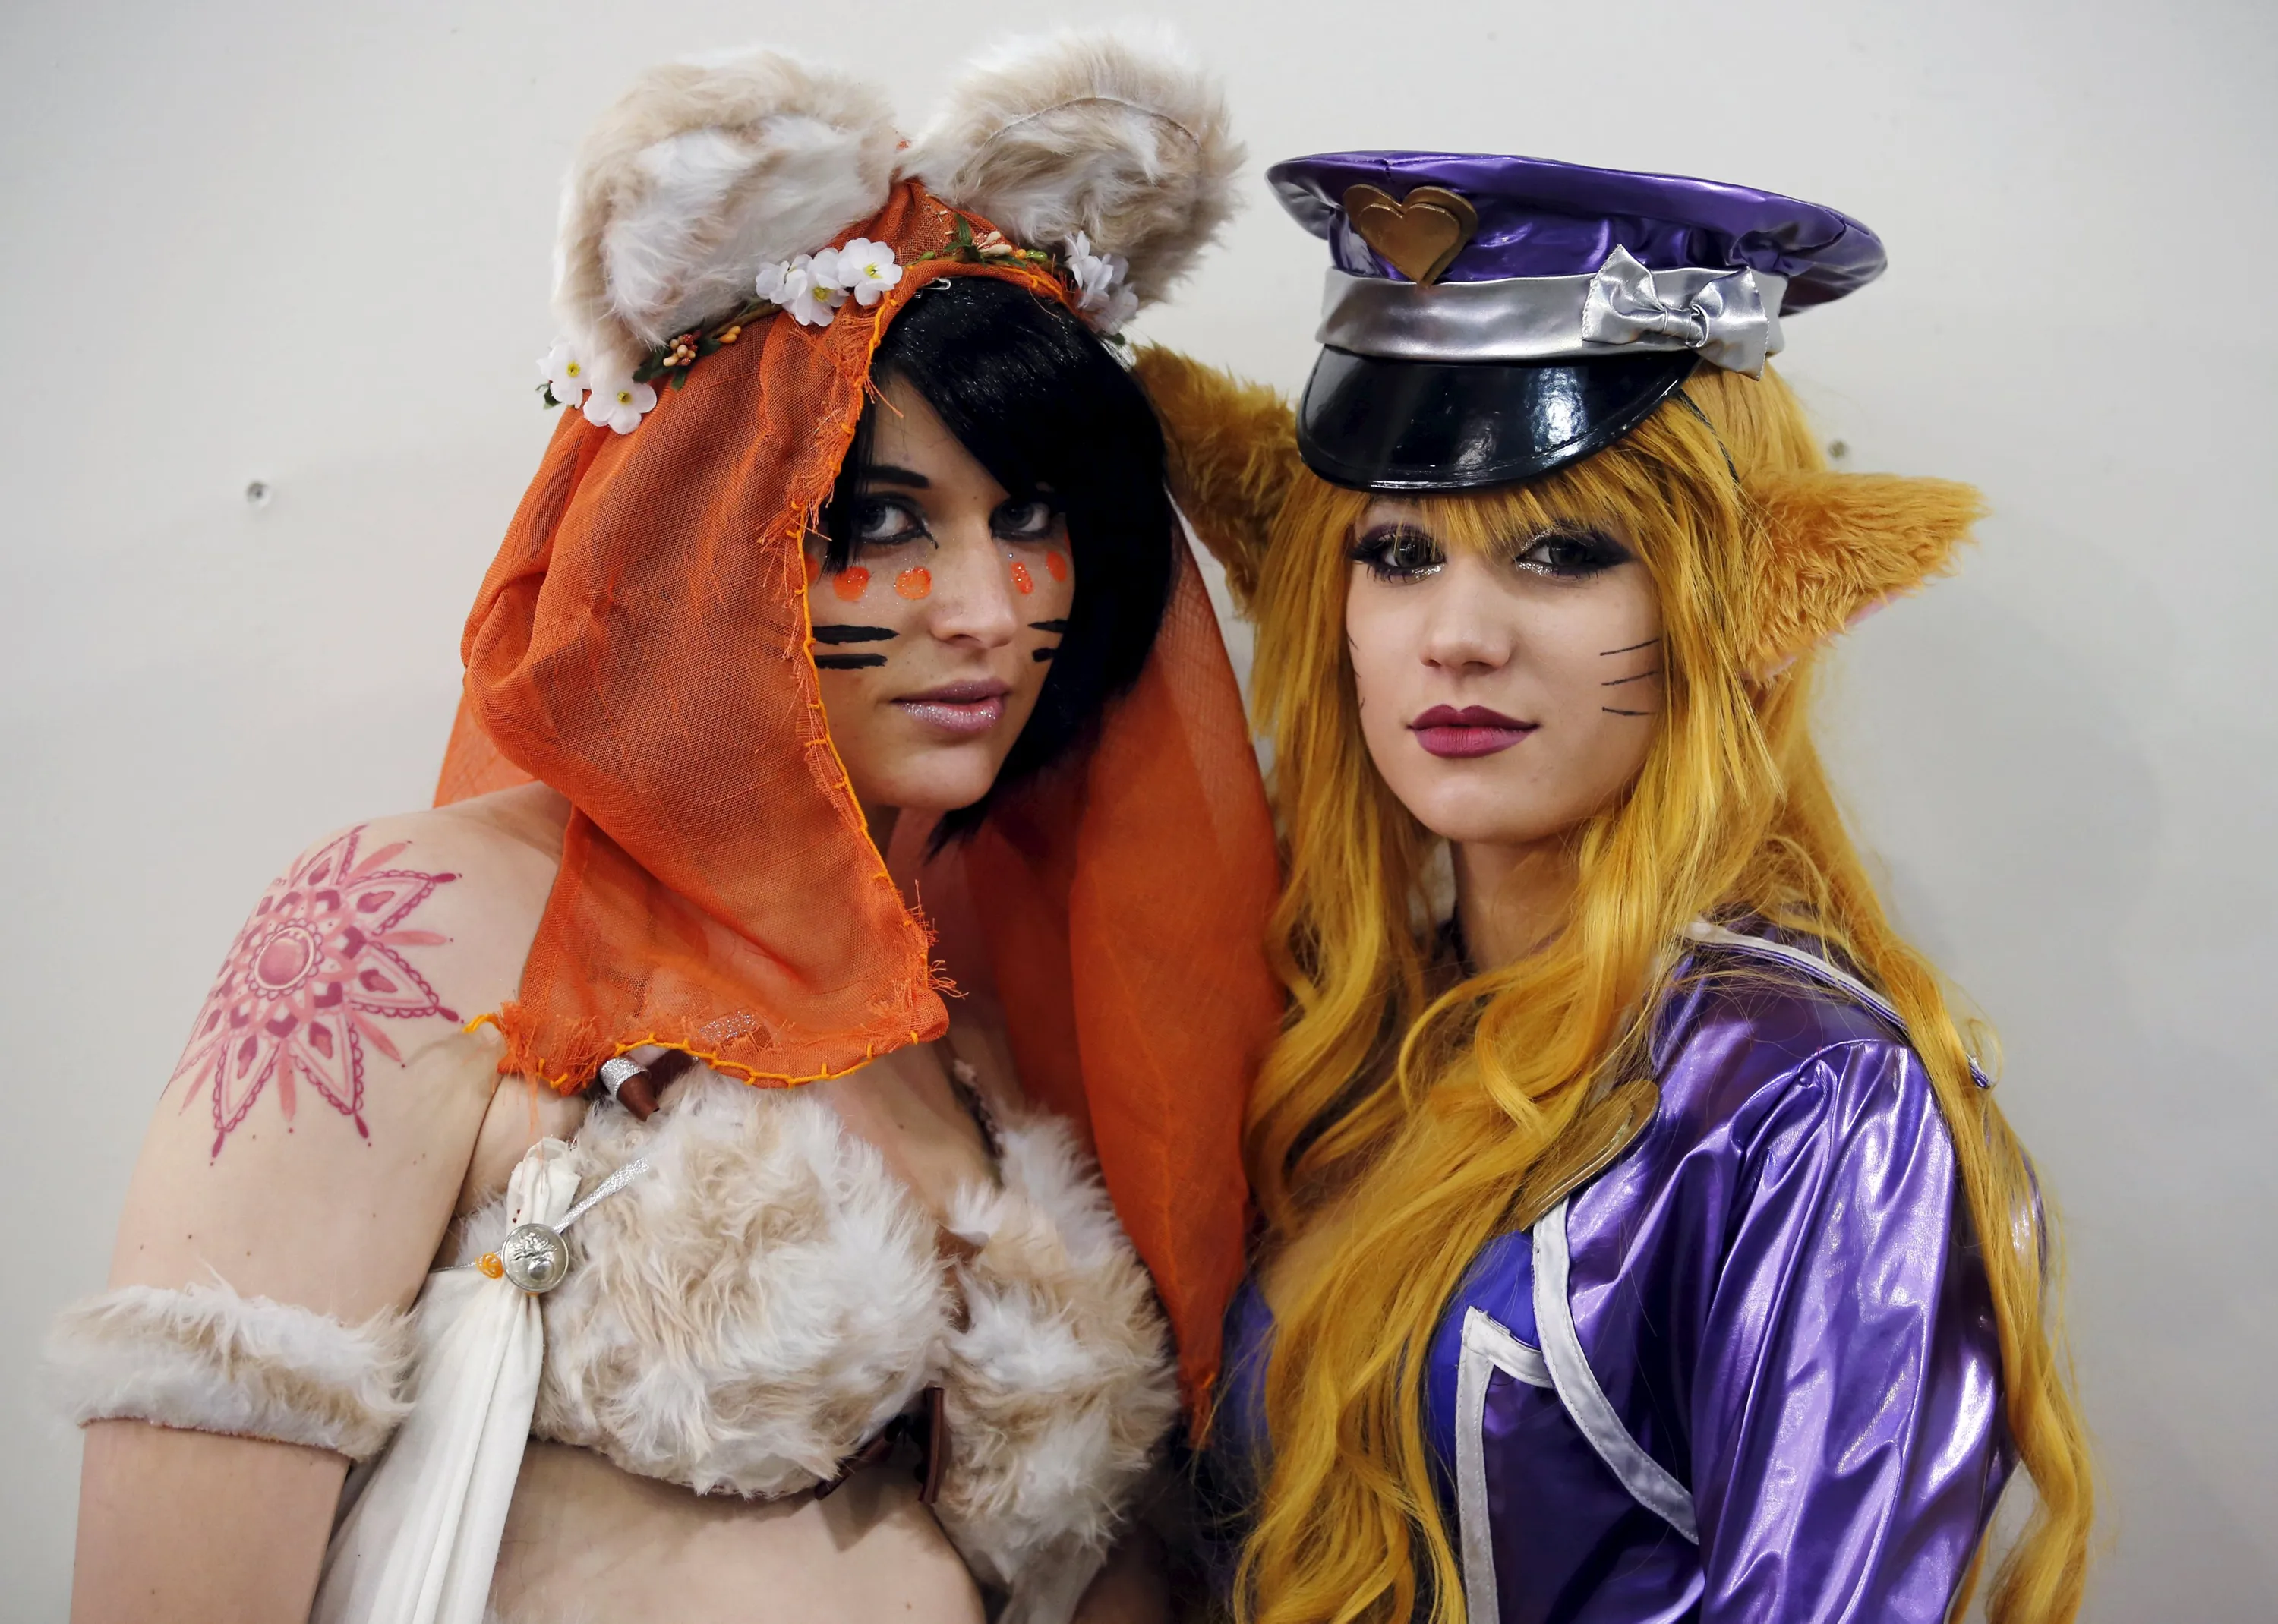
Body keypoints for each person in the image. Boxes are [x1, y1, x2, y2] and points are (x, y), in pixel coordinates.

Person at [51, 34, 1279, 1624]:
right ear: (710, 533)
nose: (983, 609)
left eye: (1029, 519)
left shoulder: (972, 1034)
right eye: (880, 522)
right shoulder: (399, 930)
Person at [1141, 153, 2094, 1622]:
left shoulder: (1804, 1102)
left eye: (1561, 551)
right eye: (1398, 552)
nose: (1458, 635)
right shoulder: (1345, 1035)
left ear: (1736, 596)